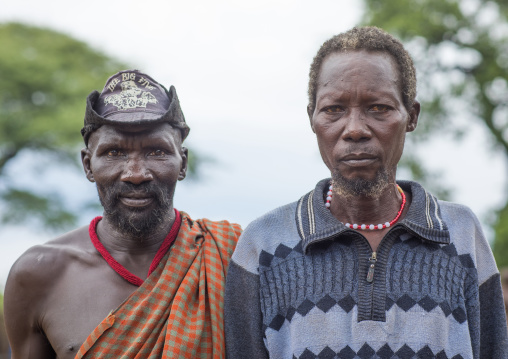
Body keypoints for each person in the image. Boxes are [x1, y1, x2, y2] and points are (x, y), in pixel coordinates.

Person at [224, 27, 508, 358]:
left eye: (378, 108)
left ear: (411, 116)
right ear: (312, 119)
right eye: (334, 109)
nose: (355, 129)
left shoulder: (460, 233)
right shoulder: (263, 244)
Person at [5, 70, 242, 359]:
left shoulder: (235, 258)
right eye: (114, 153)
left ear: (182, 164)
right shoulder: (39, 274)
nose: (136, 174)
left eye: (157, 152)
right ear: (88, 165)